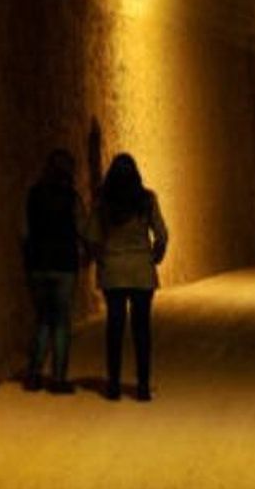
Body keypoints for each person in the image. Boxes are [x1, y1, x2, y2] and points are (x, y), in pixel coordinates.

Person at [85, 153, 168, 402]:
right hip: (141, 271)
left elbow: (91, 237)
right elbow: (161, 234)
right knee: (142, 330)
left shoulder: (103, 203)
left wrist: (101, 259)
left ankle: (113, 386)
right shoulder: (147, 200)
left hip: (113, 271)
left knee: (115, 328)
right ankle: (142, 387)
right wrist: (154, 257)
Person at [21, 149, 85, 394]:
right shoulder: (72, 198)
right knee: (61, 321)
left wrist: (28, 258)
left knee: (43, 319)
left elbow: (24, 232)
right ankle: (58, 378)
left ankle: (34, 374)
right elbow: (82, 227)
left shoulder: (33, 195)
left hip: (38, 265)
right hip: (64, 265)